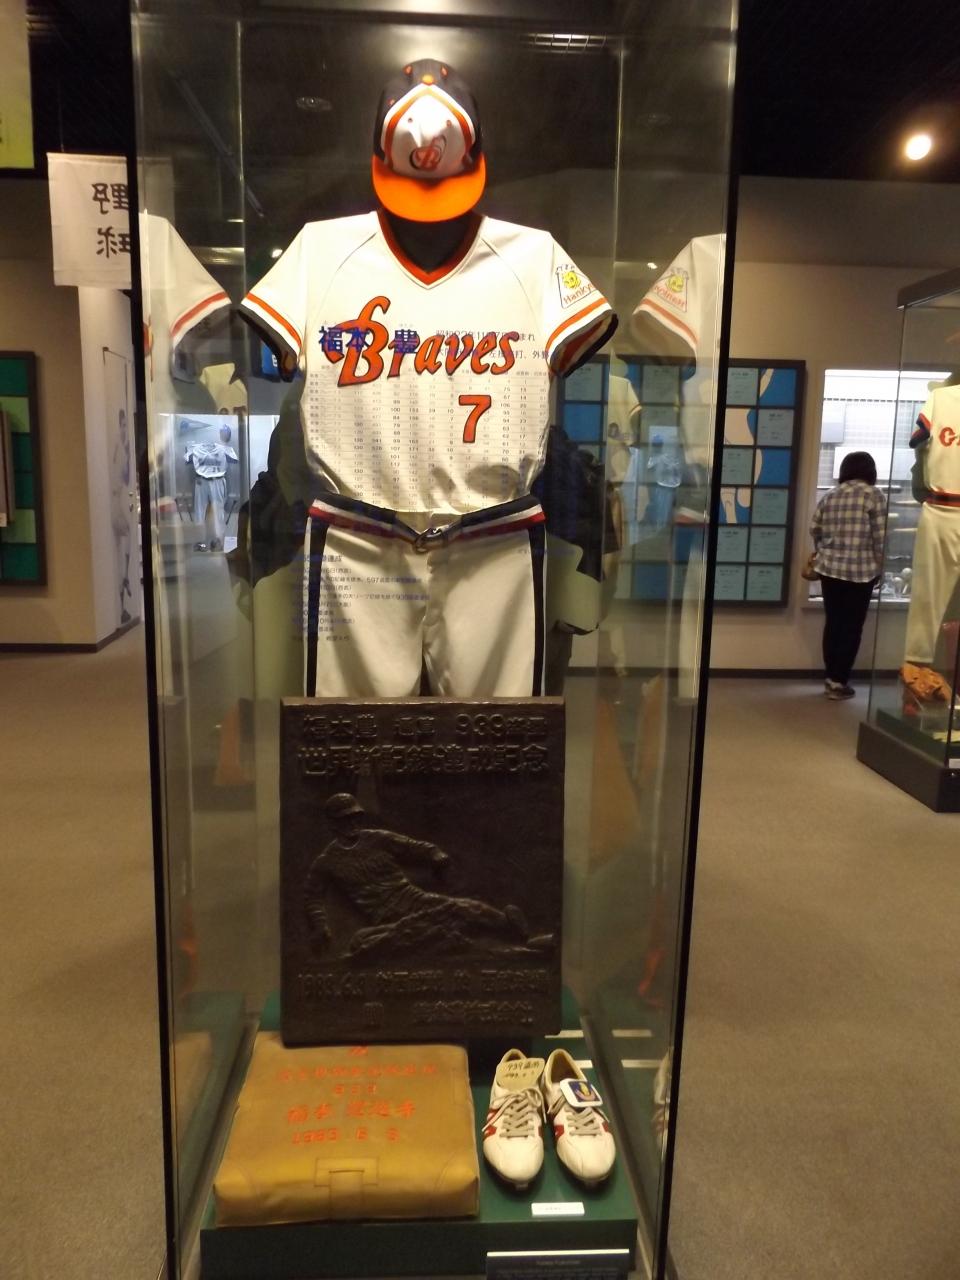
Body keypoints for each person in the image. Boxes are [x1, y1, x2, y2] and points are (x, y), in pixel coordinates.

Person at [810, 450, 885, 699]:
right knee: (852, 627)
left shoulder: (831, 495)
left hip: (829, 571)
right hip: (860, 573)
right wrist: (880, 567)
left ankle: (830, 677)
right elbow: (881, 537)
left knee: (834, 623)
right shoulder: (874, 495)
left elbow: (814, 528)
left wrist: (824, 551)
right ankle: (839, 681)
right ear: (870, 471)